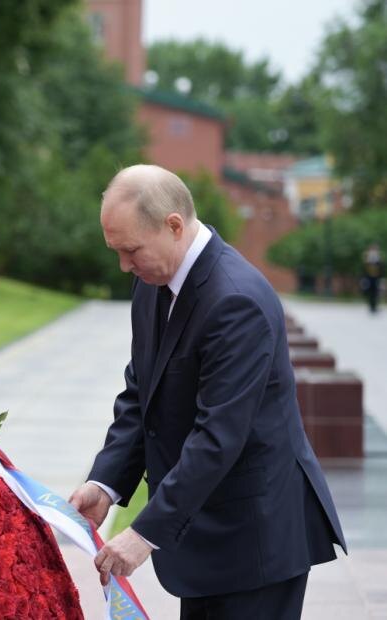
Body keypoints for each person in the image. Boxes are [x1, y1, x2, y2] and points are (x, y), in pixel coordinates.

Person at [68, 165, 346, 619]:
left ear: (173, 226)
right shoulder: (152, 283)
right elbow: (142, 394)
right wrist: (106, 483)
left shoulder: (237, 301)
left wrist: (143, 534)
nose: (124, 266)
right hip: (205, 536)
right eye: (116, 251)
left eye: (131, 250)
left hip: (256, 539)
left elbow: (218, 436)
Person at [361, 242, 383, 313]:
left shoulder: (378, 258)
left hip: (376, 278)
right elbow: (364, 270)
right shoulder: (367, 259)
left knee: (376, 292)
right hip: (369, 278)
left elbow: (381, 269)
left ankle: (375, 306)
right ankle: (371, 306)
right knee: (370, 292)